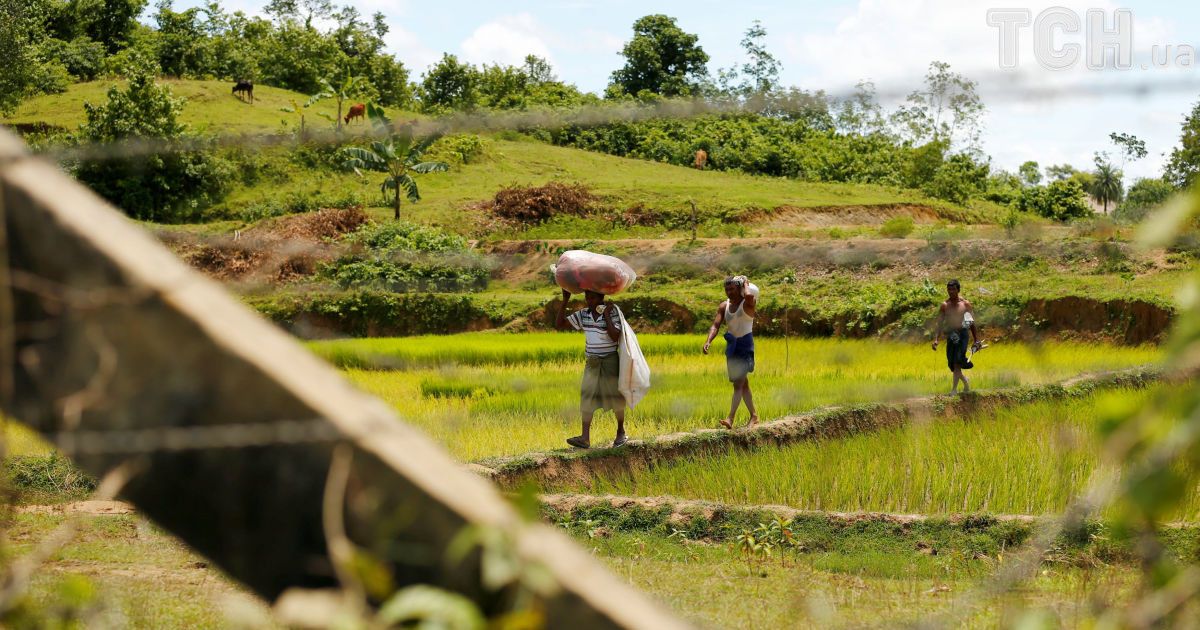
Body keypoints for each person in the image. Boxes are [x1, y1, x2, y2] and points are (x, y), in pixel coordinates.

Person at [556, 288, 628, 448]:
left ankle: (621, 432)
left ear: (601, 297)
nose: (589, 301)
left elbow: (615, 336)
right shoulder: (584, 314)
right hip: (592, 361)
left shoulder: (613, 312)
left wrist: (607, 314)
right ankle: (585, 438)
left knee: (615, 396)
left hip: (610, 360)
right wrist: (565, 301)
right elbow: (559, 324)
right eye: (587, 297)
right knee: (587, 395)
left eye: (593, 297)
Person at [703, 276, 758, 429]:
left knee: (738, 384)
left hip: (745, 345)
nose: (728, 292)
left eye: (732, 289)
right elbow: (715, 325)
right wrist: (709, 341)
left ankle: (730, 418)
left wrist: (745, 283)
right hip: (732, 346)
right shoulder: (724, 306)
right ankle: (754, 415)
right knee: (742, 383)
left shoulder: (748, 304)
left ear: (740, 289)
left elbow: (748, 295)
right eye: (726, 289)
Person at [931, 279, 982, 394]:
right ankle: (965, 381)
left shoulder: (965, 304)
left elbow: (972, 323)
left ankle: (954, 390)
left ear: (958, 290)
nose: (951, 291)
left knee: (957, 361)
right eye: (949, 289)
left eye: (953, 289)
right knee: (952, 363)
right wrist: (936, 339)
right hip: (951, 335)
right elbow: (939, 323)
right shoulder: (945, 305)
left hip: (963, 334)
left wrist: (976, 340)